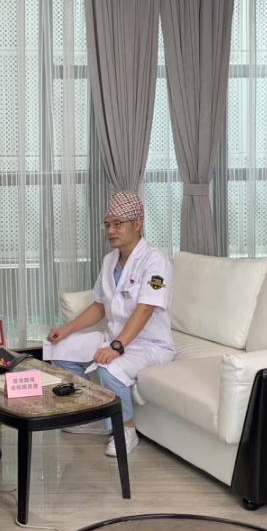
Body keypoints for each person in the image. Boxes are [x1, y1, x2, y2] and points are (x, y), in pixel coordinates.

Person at [44, 191, 173, 457]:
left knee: (109, 369)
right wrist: (66, 330)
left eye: (118, 223)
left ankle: (125, 430)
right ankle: (91, 416)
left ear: (137, 223)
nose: (111, 230)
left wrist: (116, 346)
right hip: (115, 337)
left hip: (149, 345)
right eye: (107, 224)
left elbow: (145, 309)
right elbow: (99, 305)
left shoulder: (155, 260)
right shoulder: (109, 260)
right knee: (58, 351)